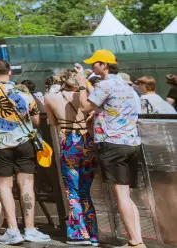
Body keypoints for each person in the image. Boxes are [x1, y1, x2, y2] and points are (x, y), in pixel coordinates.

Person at [69, 50, 146, 248]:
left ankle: (135, 242)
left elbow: (85, 106)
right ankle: (137, 239)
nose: (92, 67)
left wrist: (80, 84)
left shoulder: (105, 84)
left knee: (121, 195)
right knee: (127, 195)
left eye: (95, 63)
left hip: (112, 144)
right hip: (131, 142)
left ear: (104, 65)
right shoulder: (126, 85)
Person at [0, 59, 48, 245]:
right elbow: (36, 120)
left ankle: (13, 230)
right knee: (26, 185)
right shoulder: (23, 91)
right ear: (10, 72)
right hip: (24, 143)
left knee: (4, 187)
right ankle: (30, 229)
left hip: (0, 146)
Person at [42, 69, 97, 245]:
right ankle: (93, 233)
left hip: (69, 142)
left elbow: (52, 122)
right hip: (87, 142)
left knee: (71, 190)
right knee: (85, 192)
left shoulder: (50, 98)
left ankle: (79, 234)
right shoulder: (85, 95)